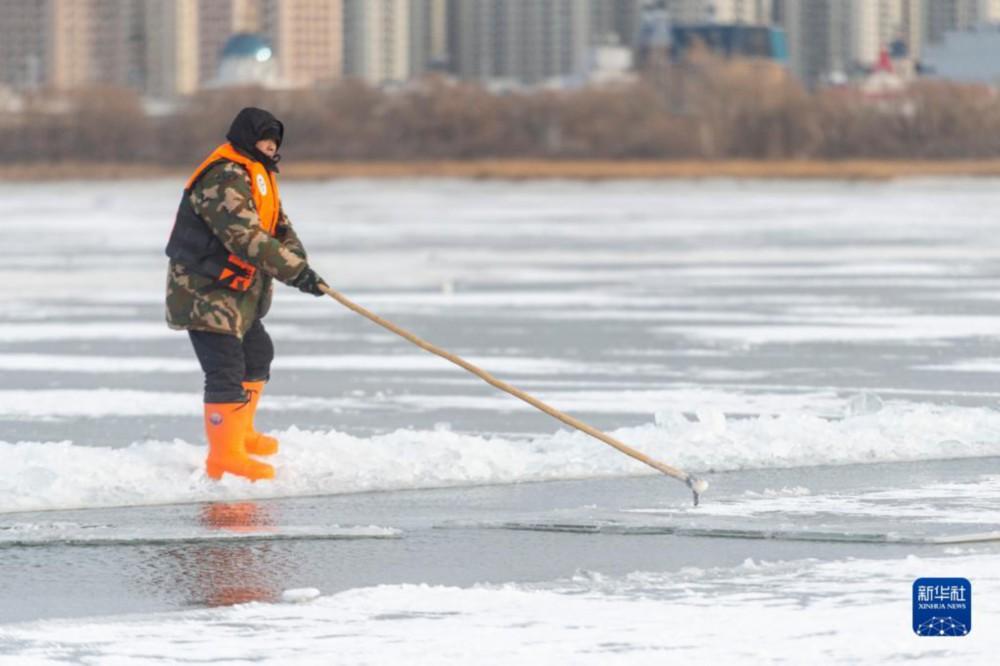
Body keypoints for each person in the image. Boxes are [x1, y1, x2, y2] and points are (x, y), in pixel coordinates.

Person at [165, 107, 327, 482]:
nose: (270, 147)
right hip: (205, 290)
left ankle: (241, 434)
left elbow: (278, 226)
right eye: (264, 140)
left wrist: (299, 263)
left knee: (257, 355)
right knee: (225, 370)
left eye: (275, 141)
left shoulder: (259, 173)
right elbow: (245, 237)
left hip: (239, 292)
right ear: (246, 138)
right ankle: (224, 455)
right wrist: (295, 274)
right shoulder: (224, 176)